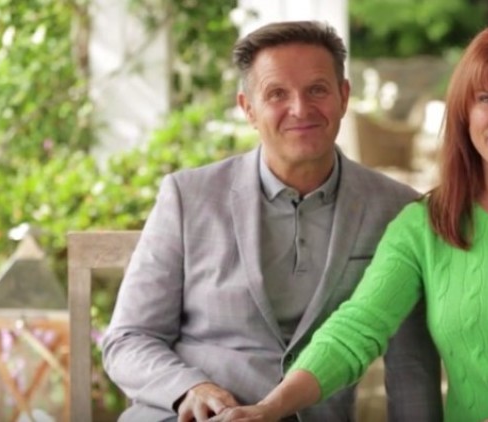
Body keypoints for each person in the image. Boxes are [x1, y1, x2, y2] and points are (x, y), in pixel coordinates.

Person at [210, 22, 488, 422]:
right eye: (487, 99)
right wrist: (268, 409)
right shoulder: (425, 226)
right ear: (464, 115)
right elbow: (354, 331)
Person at [101, 21, 443, 422]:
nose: (300, 108)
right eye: (277, 94)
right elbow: (129, 338)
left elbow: (412, 368)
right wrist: (190, 389)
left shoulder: (397, 208)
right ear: (248, 109)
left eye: (317, 89)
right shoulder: (188, 197)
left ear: (343, 96)